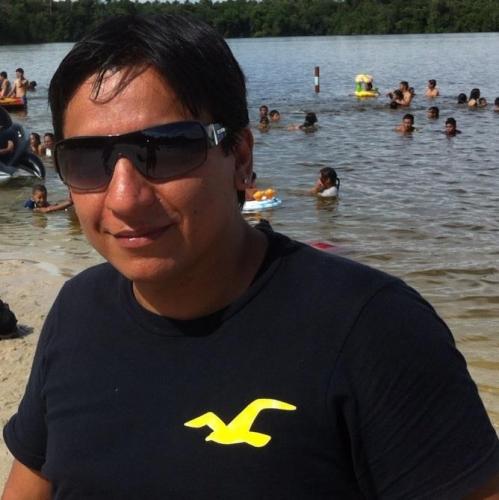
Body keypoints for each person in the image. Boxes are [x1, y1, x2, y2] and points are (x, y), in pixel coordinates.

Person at [3, 14, 499, 500]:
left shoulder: (374, 330)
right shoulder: (77, 311)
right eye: (87, 159)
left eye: (168, 149)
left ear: (240, 157)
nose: (124, 198)